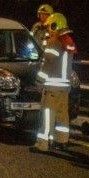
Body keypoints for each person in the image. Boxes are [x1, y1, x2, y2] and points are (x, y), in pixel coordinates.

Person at [34, 12, 77, 152]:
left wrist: (39, 82)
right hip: (65, 86)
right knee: (62, 115)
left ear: (54, 25)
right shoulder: (68, 41)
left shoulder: (54, 42)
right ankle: (62, 141)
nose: (48, 30)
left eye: (49, 27)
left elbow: (47, 64)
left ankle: (42, 145)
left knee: (47, 116)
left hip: (52, 86)